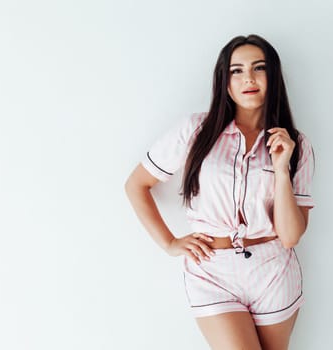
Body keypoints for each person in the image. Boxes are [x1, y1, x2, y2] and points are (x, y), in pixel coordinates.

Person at [124, 34, 315, 350]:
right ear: (224, 82)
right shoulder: (196, 131)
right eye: (236, 70)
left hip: (273, 271)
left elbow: (291, 236)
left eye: (259, 68)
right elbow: (136, 185)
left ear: (274, 77)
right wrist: (170, 242)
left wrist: (281, 169)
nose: (248, 78)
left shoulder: (296, 145)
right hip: (212, 271)